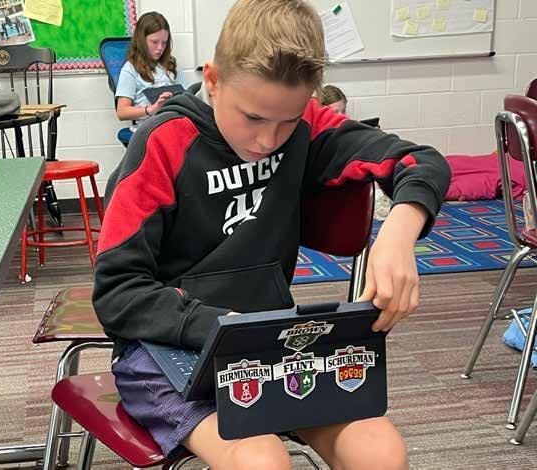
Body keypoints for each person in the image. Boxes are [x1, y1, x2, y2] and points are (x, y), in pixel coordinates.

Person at [93, 0, 451, 468]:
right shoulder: (163, 141)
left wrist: (398, 235)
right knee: (261, 460)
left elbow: (423, 162)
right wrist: (221, 326)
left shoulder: (308, 126)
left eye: (288, 120)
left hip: (268, 341)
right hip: (164, 345)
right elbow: (117, 293)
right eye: (253, 118)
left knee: (381, 454)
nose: (267, 140)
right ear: (213, 79)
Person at [115, 11, 186, 132]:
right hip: (149, 128)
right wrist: (151, 109)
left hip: (174, 124)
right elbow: (122, 112)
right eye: (154, 42)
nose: (160, 48)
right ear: (141, 40)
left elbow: (188, 96)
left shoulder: (171, 66)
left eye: (164, 43)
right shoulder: (130, 69)